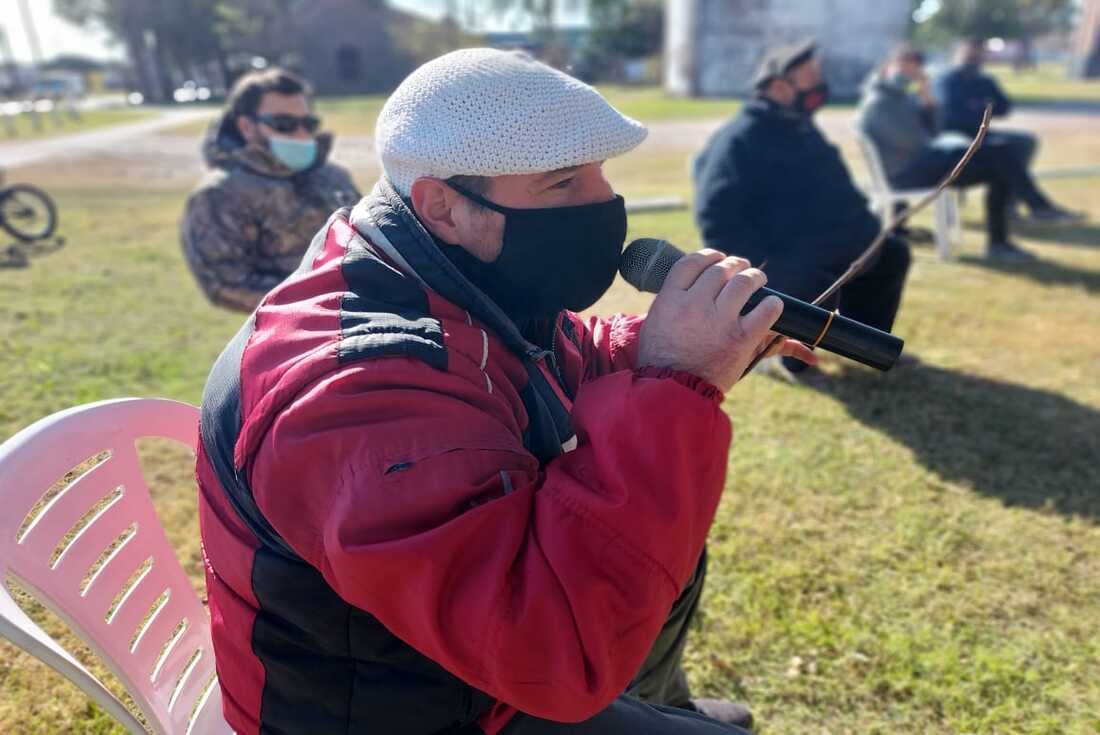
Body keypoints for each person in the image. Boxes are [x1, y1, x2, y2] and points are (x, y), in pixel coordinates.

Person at [196, 48, 817, 735]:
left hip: (448, 666)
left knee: (668, 554)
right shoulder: (356, 386)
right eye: (562, 183)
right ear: (444, 204)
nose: (603, 203)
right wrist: (677, 378)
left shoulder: (437, 262)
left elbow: (560, 353)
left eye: (601, 174)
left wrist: (671, 341)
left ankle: (657, 705)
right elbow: (550, 652)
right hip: (403, 705)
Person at [693, 39, 911, 381]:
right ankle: (789, 360)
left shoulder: (799, 126)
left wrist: (868, 231)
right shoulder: (741, 139)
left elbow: (837, 189)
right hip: (787, 255)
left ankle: (863, 343)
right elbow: (715, 214)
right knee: (807, 276)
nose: (820, 86)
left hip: (832, 240)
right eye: (811, 77)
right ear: (779, 87)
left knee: (892, 254)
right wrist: (757, 268)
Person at [859, 44, 1081, 262]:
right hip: (908, 173)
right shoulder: (880, 102)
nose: (911, 73)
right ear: (888, 67)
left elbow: (933, 132)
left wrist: (927, 101)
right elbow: (914, 142)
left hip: (923, 163)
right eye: (905, 66)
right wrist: (942, 142)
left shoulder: (898, 97)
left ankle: (1003, 240)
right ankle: (1034, 209)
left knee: (1001, 158)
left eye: (915, 68)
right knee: (1000, 155)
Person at [180, 68, 360, 312]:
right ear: (246, 127)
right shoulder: (218, 194)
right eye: (284, 124)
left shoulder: (333, 176)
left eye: (308, 123)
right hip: (290, 333)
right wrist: (320, 302)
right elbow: (224, 281)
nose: (301, 133)